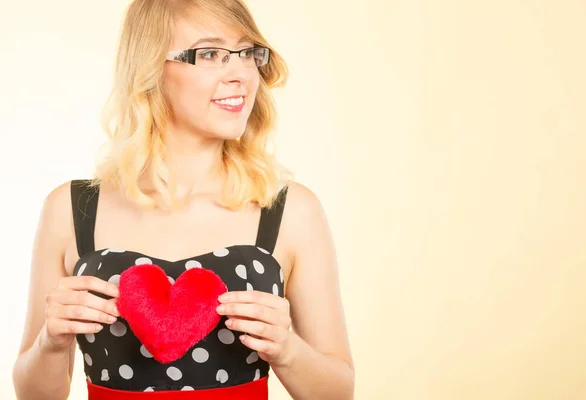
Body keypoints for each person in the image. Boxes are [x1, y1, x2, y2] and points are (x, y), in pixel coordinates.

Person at [11, 0, 354, 399]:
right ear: (151, 68)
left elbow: (338, 391)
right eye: (210, 53)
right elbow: (35, 395)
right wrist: (50, 343)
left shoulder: (290, 209)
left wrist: (287, 350)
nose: (241, 73)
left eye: (247, 53)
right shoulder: (70, 209)